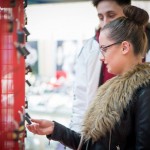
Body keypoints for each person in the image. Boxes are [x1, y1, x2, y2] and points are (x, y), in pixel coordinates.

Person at [27, 5, 150, 149]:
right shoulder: (111, 90)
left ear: (124, 47)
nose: (101, 58)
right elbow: (94, 145)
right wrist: (55, 129)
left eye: (104, 49)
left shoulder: (144, 92)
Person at [70, 0, 150, 134]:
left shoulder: (145, 91)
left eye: (111, 15)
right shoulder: (90, 49)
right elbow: (81, 102)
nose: (105, 22)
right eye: (100, 17)